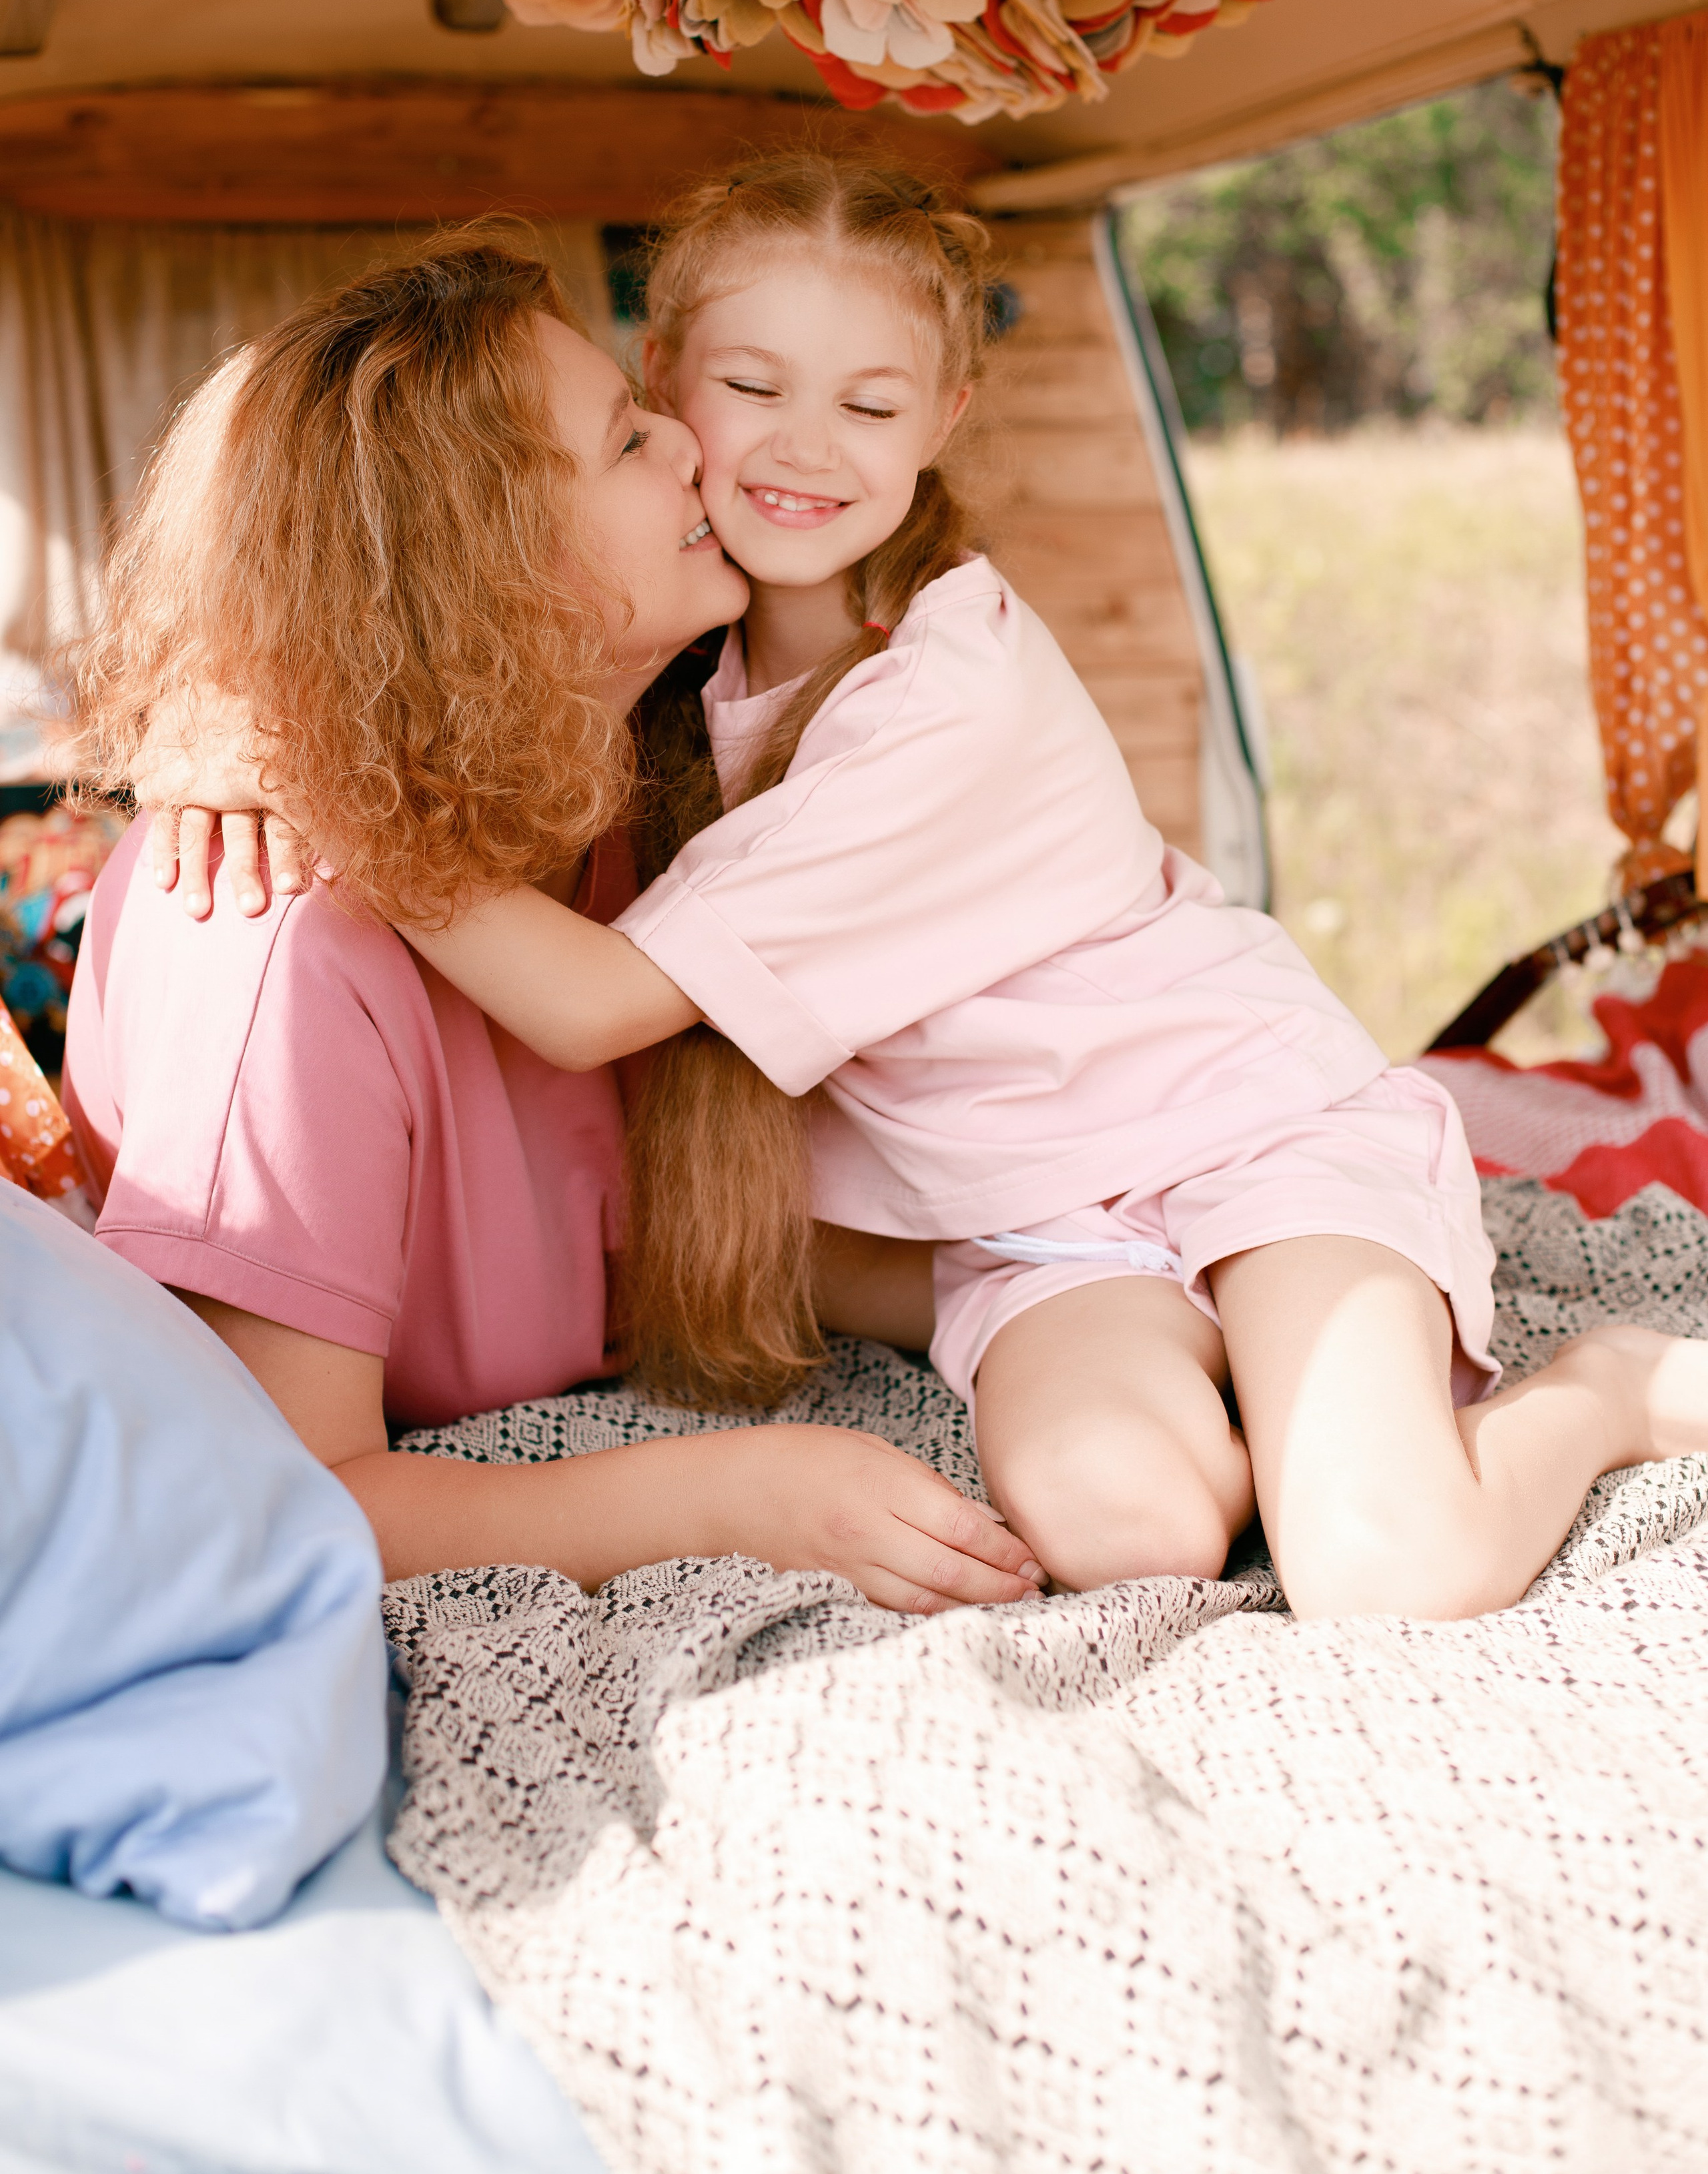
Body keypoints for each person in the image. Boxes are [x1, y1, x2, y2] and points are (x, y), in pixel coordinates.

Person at [141, 163, 1708, 1622]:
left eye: (866, 403)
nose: (739, 448)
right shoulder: (632, 702)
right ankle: (1246, 1374)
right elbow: (357, 587)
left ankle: (1601, 1390)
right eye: (672, 416)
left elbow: (584, 998)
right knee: (1129, 1530)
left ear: (939, 419)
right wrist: (225, 716)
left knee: (1386, 1570)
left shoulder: (915, 698)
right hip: (1035, 1221)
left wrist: (316, 766)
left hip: (1236, 1128)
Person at [64, 230, 1044, 1619]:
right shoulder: (261, 936)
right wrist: (741, 1499)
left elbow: (725, 1230)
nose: (693, 445)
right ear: (484, 558)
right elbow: (275, 1497)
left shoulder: (661, 782)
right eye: (628, 440)